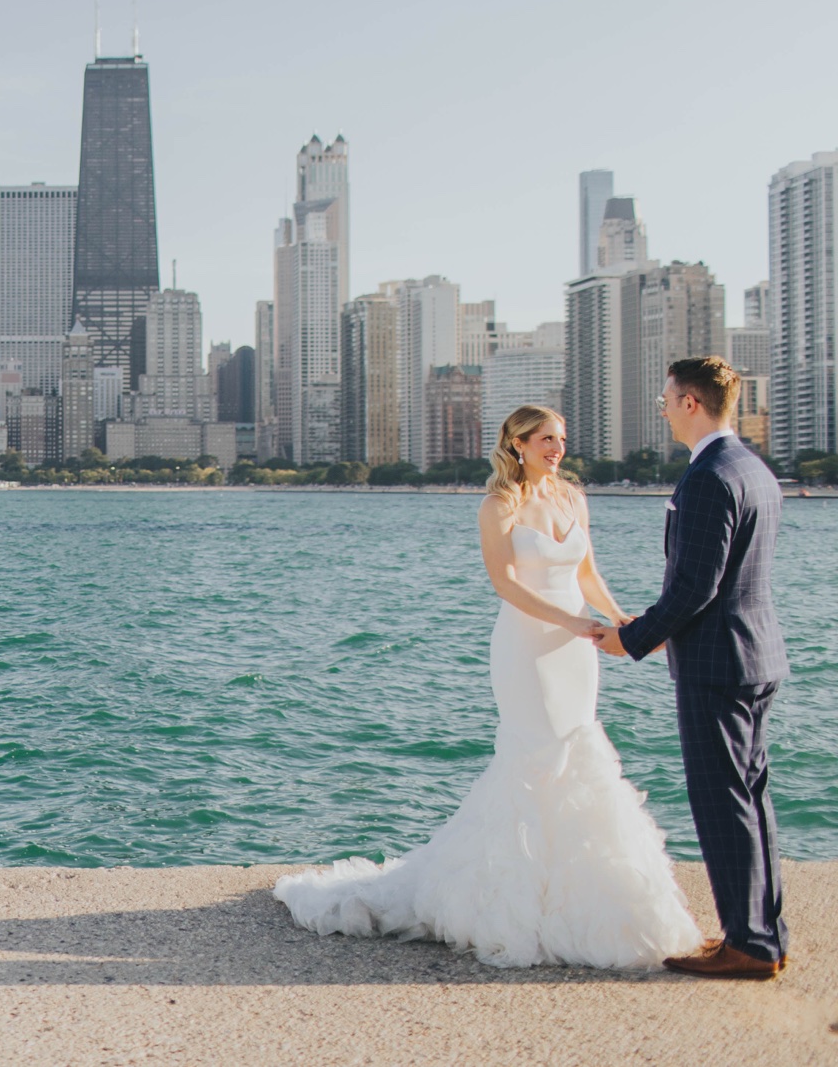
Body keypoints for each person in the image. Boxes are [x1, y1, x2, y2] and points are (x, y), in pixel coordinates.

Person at [273, 404, 700, 967]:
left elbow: (586, 571)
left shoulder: (573, 497)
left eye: (562, 438)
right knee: (534, 755)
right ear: (517, 443)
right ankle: (510, 899)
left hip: (577, 650)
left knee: (577, 750)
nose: (557, 448)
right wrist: (571, 621)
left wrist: (620, 619)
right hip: (528, 648)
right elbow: (505, 582)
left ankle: (579, 893)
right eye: (546, 438)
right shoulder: (499, 504)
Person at [588, 356, 790, 978]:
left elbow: (695, 586)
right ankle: (764, 934)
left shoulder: (707, 476)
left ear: (692, 404)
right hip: (754, 654)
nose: (664, 409)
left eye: (667, 399)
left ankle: (748, 945)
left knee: (722, 801)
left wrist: (634, 638)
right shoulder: (752, 467)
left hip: (716, 663)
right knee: (750, 797)